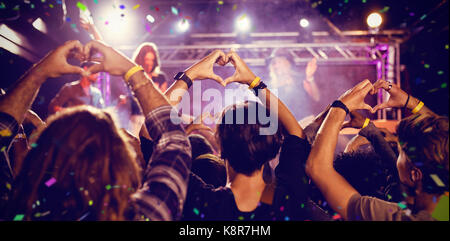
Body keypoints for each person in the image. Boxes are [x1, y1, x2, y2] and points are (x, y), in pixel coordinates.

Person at [0, 40, 192, 220]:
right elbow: (174, 142)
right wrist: (131, 71)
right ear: (121, 163)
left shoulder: (10, 209)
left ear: (40, 156)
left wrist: (37, 75)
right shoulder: (147, 213)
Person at [163, 49, 329, 220]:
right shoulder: (290, 199)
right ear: (273, 145)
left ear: (219, 147)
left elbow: (151, 133)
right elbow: (296, 133)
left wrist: (190, 75)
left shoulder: (197, 201)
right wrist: (254, 82)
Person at [306, 78, 449, 221]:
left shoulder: (395, 217)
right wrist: (409, 102)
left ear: (415, 175)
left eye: (400, 154)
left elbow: (318, 169)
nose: (396, 155)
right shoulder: (443, 209)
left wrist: (339, 107)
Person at [266, 49, 320, 121]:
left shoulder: (300, 80)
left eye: (279, 62)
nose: (276, 66)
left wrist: (310, 77)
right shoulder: (269, 85)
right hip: (283, 125)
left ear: (288, 63)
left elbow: (316, 97)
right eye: (273, 63)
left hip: (304, 122)